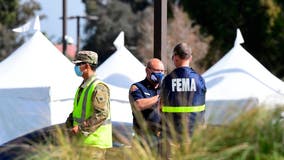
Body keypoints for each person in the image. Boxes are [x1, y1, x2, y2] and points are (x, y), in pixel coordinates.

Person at [160, 42, 206, 158]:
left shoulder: (167, 80)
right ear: (190, 58)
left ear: (175, 57)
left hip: (171, 136)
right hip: (194, 135)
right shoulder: (199, 79)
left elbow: (161, 105)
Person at [65, 50, 112, 160]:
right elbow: (78, 110)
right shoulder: (85, 86)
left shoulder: (98, 87)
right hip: (83, 143)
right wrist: (68, 124)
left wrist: (80, 129)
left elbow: (101, 114)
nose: (76, 67)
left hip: (94, 144)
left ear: (86, 66)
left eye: (78, 64)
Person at [128, 58, 165, 153]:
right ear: (147, 70)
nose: (160, 73)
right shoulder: (137, 87)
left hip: (162, 138)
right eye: (157, 70)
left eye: (162, 71)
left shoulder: (164, 88)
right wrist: (160, 98)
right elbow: (138, 105)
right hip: (143, 138)